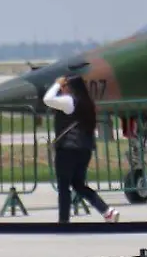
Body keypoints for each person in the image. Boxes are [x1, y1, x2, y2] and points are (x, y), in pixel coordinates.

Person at [42, 74, 120, 223]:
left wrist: (56, 84)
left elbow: (48, 99)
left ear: (70, 87)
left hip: (67, 149)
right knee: (78, 184)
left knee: (64, 186)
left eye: (64, 86)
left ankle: (63, 221)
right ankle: (107, 211)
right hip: (85, 149)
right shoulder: (87, 103)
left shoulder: (69, 100)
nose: (62, 89)